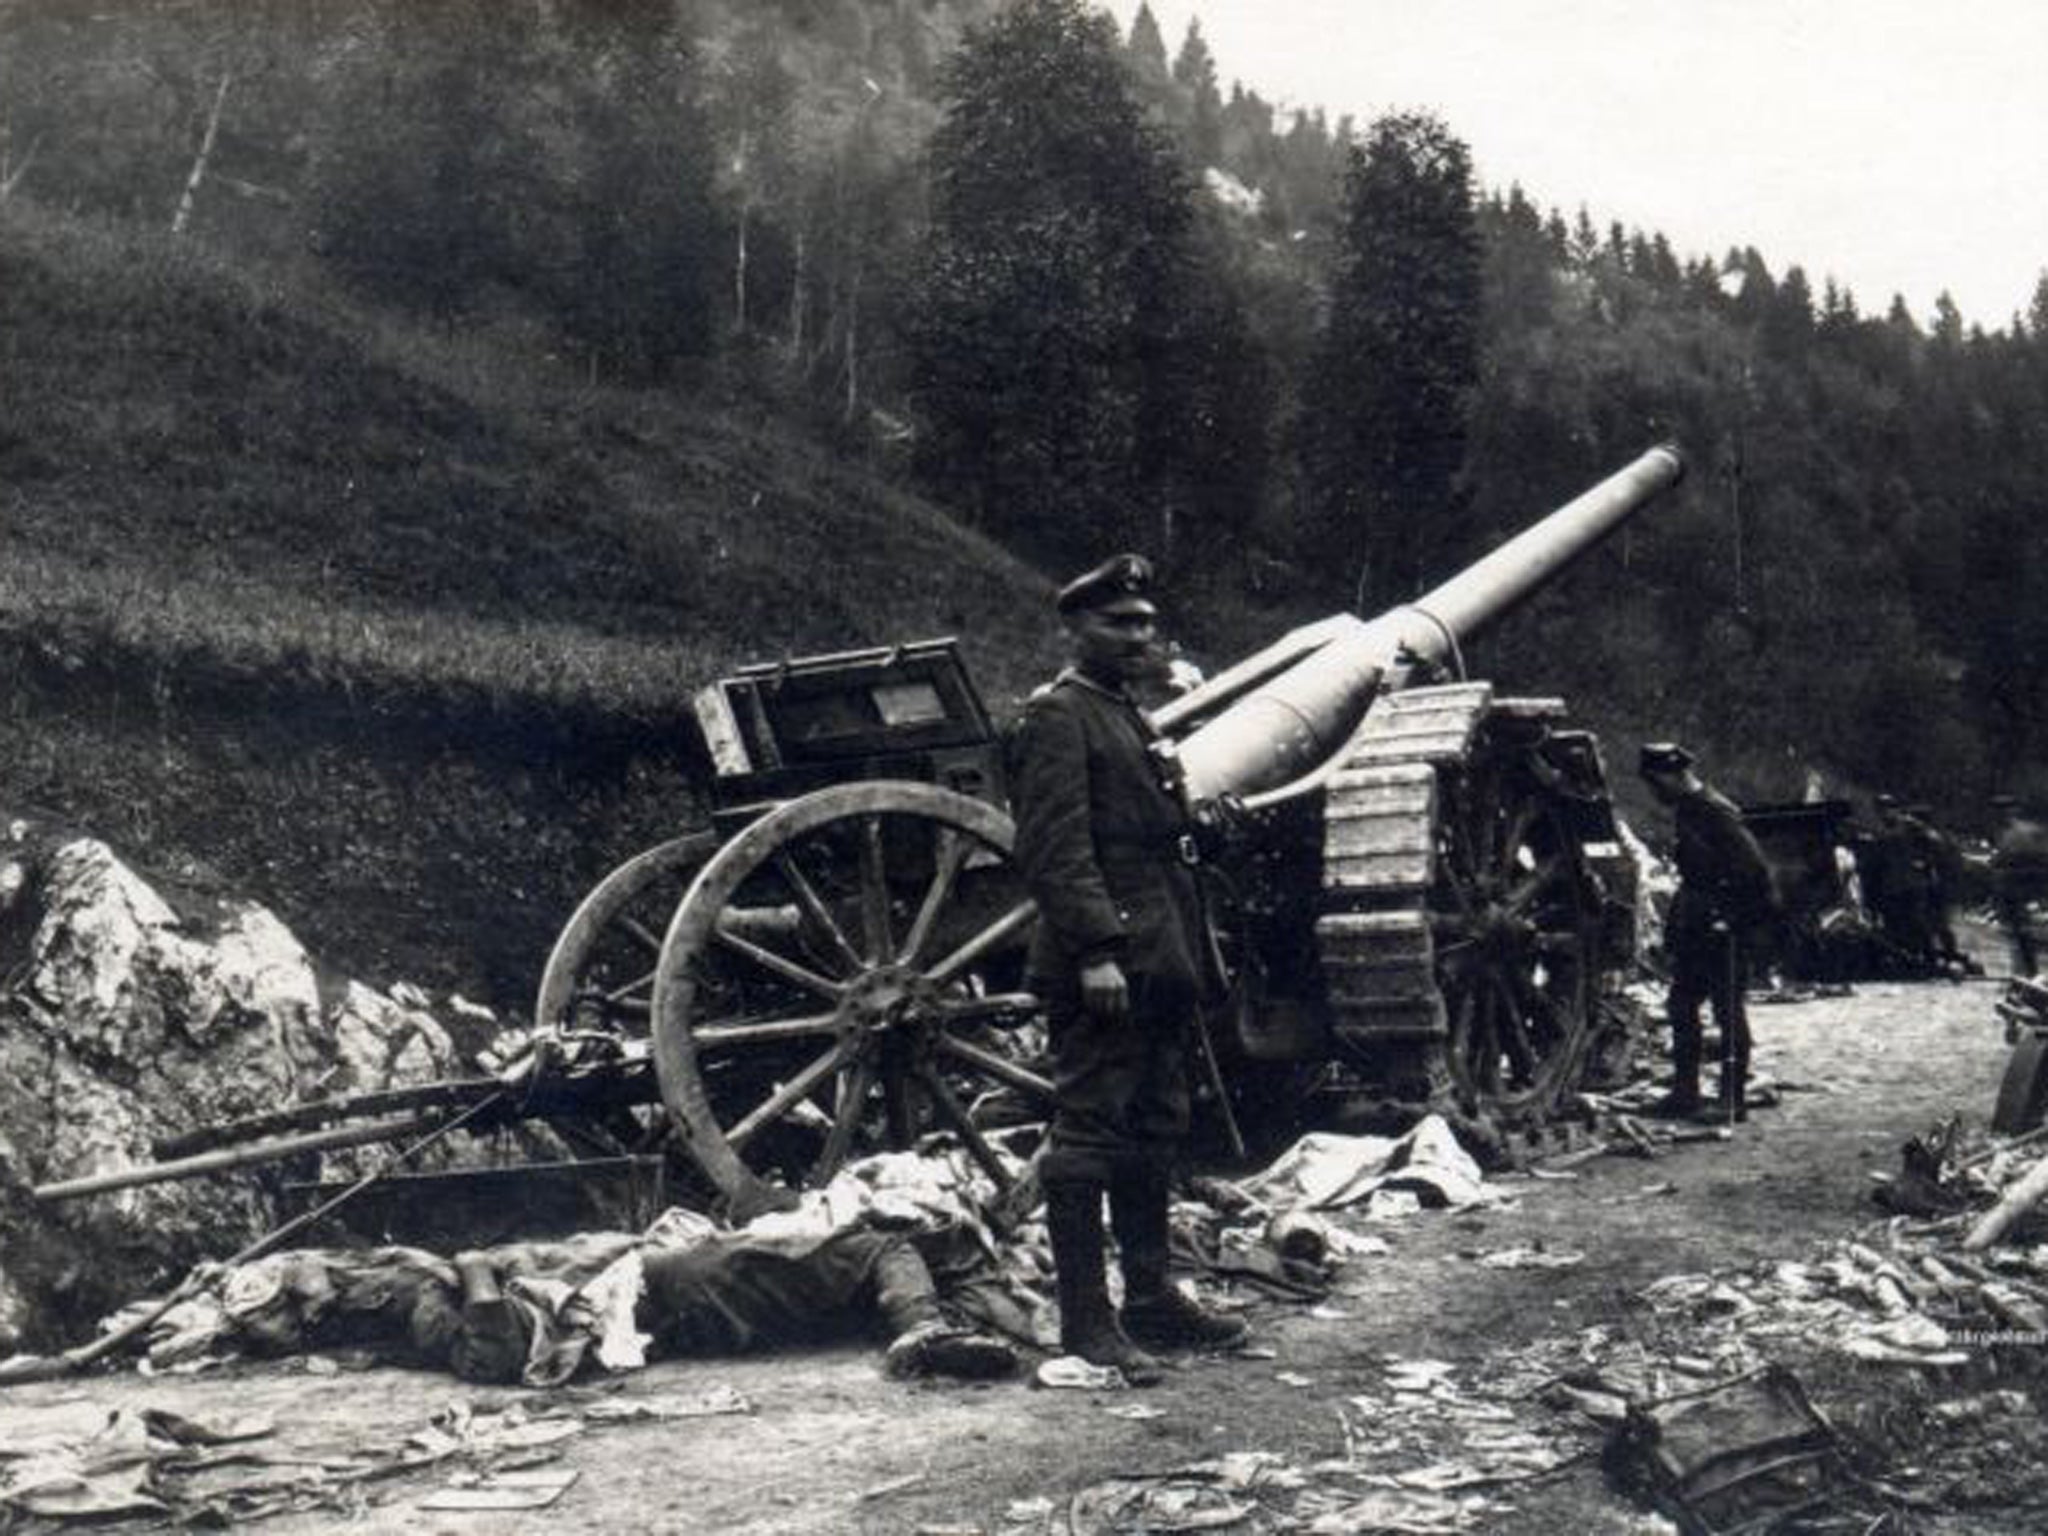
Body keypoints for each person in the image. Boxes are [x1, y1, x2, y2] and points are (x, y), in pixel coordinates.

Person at [1007, 553, 1248, 1380]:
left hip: (1163, 956)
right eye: (1119, 623)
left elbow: (1147, 836)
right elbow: (1054, 848)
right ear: (1076, 629)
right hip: (1109, 962)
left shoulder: (1125, 714)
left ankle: (1151, 1301)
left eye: (1146, 622)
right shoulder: (1059, 716)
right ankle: (1087, 1326)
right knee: (1088, 1134)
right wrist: (1098, 951)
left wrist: (1203, 828)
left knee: (1155, 1125)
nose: (1139, 636)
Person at [1638, 742, 1776, 1122]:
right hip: (1698, 927)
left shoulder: (1716, 812)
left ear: (1676, 774)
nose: (1655, 792)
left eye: (1657, 783)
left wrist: (1734, 920)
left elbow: (1756, 873)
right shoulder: (1689, 809)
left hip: (1723, 929)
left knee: (1727, 1012)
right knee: (1681, 1006)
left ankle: (1732, 1100)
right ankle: (1686, 1093)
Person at [1991, 795, 2048, 978]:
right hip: (2009, 887)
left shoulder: (2026, 832)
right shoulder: (2004, 832)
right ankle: (2022, 973)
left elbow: (2039, 858)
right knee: (2015, 933)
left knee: (2022, 932)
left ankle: (2028, 974)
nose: (2001, 814)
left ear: (2013, 811)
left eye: (2004, 810)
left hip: (2022, 887)